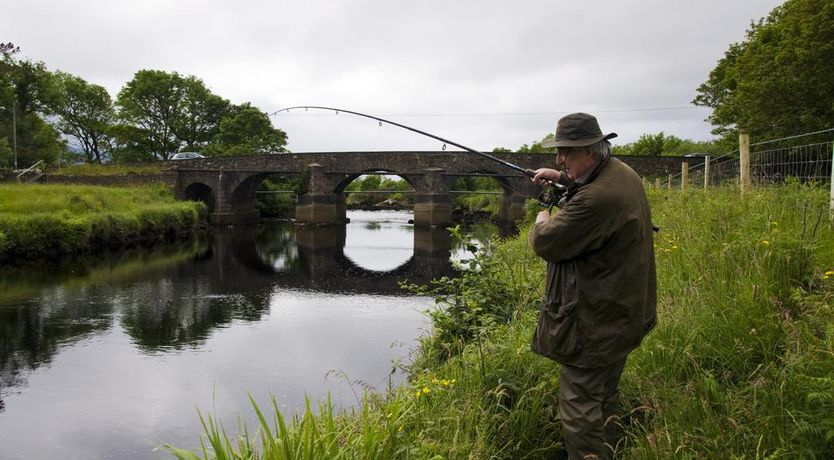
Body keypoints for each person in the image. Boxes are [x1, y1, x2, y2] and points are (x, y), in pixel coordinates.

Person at [528, 113, 657, 460]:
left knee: (579, 406)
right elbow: (591, 193)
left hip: (596, 319)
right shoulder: (620, 173)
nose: (558, 159)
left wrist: (543, 218)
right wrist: (565, 179)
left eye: (565, 153)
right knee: (604, 395)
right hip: (625, 309)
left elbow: (546, 242)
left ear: (588, 150)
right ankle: (609, 448)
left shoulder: (595, 198)